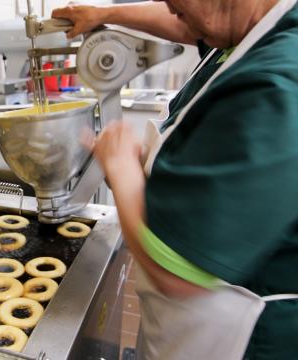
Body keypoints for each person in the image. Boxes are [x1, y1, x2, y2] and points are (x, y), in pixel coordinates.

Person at [53, 1, 298, 359]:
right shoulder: (246, 30)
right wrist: (103, 15)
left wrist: (121, 168)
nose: (166, 3)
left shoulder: (277, 86)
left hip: (235, 339)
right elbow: (184, 23)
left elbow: (177, 269)